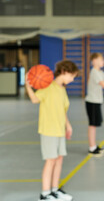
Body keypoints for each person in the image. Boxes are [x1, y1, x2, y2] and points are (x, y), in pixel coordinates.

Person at [26, 60, 79, 201]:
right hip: (49, 130)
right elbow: (34, 100)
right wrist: (27, 85)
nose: (72, 79)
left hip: (59, 130)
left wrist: (68, 126)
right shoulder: (48, 86)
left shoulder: (62, 89)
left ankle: (55, 190)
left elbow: (63, 110)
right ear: (64, 72)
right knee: (50, 161)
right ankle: (44, 194)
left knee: (59, 160)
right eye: (72, 76)